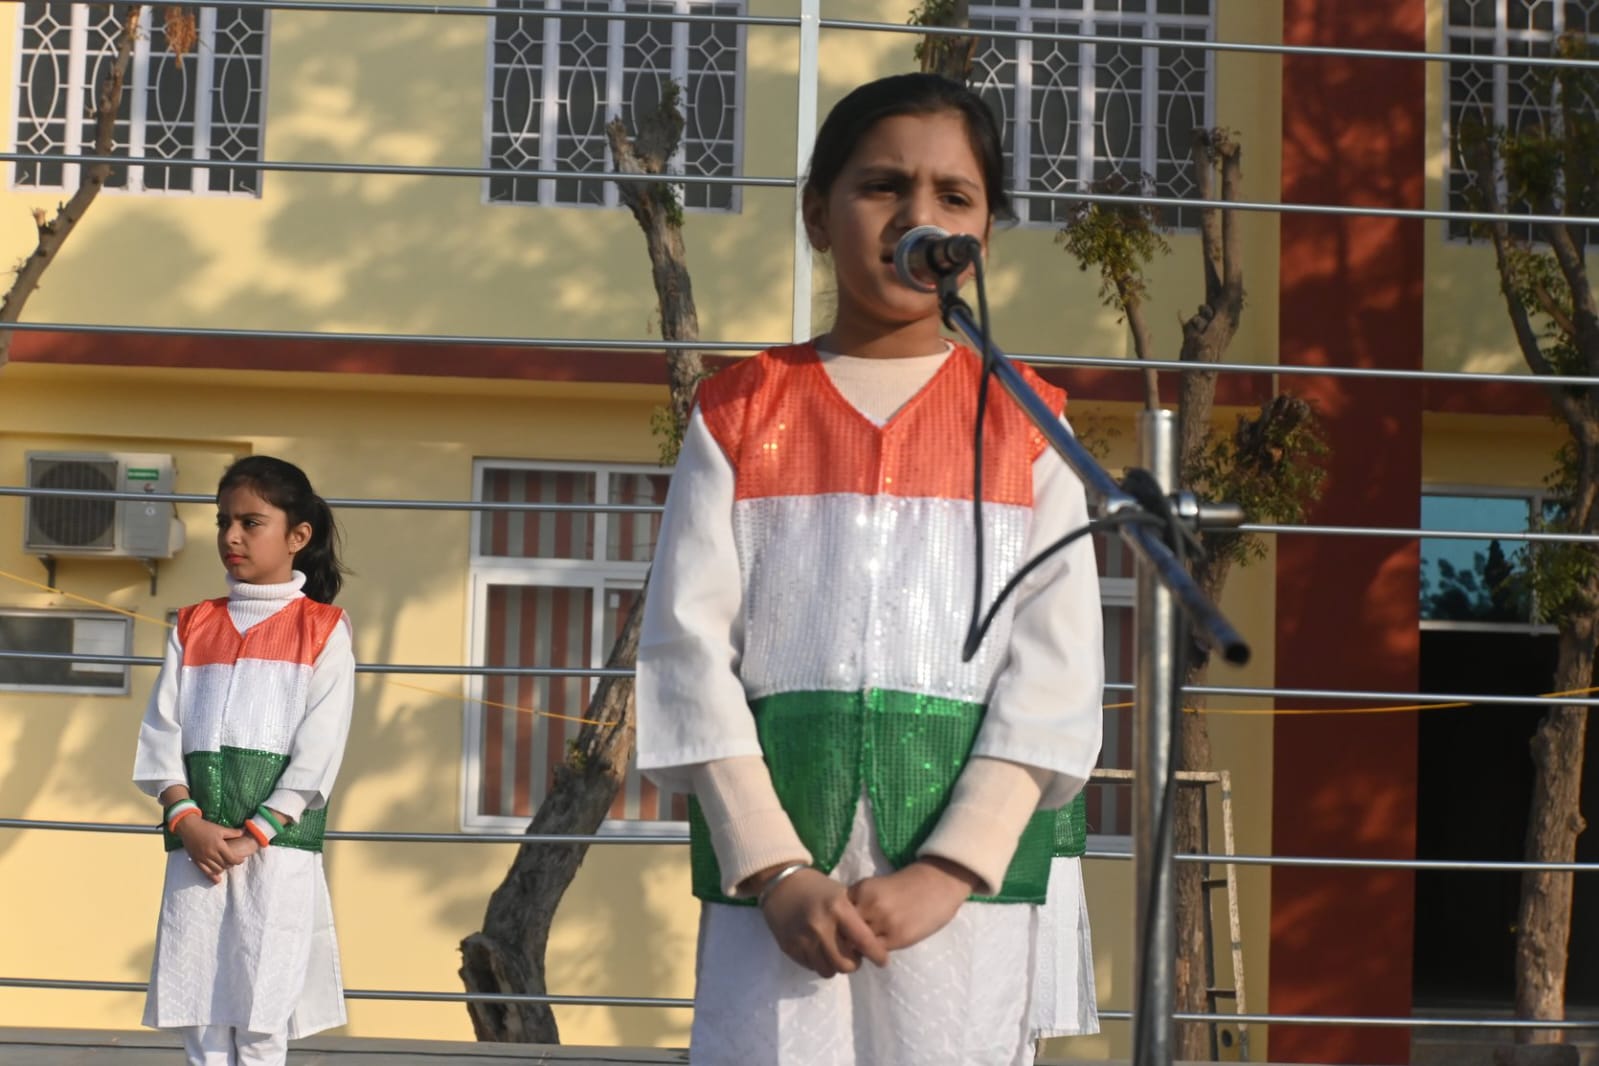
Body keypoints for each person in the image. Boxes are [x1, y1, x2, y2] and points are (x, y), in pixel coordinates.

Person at [636, 72, 1104, 1065]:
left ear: (983, 235)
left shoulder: (1028, 426)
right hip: (778, 898)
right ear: (818, 214)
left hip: (960, 903)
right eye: (882, 185)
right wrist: (772, 868)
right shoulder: (737, 414)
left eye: (953, 195)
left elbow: (1055, 675)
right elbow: (686, 652)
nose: (916, 215)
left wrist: (953, 867)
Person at [133, 456, 355, 1066]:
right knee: (200, 1015)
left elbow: (319, 750)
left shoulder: (324, 629)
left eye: (251, 523)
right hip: (196, 845)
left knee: (262, 1017)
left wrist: (255, 833)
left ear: (298, 535)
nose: (231, 536)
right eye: (223, 521)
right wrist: (187, 820)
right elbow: (161, 731)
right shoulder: (193, 624)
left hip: (277, 850)